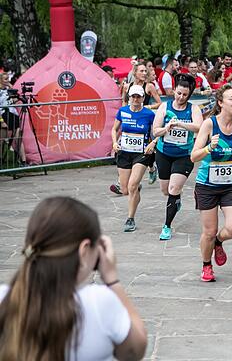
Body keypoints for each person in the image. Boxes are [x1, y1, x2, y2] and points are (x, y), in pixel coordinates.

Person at [0, 197, 147, 360]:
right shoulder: (97, 302)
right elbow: (135, 351)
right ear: (84, 251)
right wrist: (112, 279)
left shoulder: (4, 298)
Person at [190, 84, 232, 282]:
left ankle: (219, 241)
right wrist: (209, 147)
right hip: (207, 184)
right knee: (208, 231)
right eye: (231, 99)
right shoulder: (210, 125)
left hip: (231, 184)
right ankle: (206, 265)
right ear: (220, 103)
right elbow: (193, 156)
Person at [152, 80, 203, 240]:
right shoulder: (164, 107)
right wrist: (166, 128)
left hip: (184, 155)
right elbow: (155, 131)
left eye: (185, 95)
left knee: (174, 189)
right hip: (164, 153)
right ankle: (176, 200)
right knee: (165, 190)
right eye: (178, 93)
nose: (181, 97)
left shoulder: (193, 109)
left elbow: (199, 127)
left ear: (189, 95)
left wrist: (180, 124)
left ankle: (166, 226)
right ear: (174, 90)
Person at [111, 85, 157, 233]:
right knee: (125, 190)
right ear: (129, 98)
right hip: (124, 152)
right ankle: (135, 188)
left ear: (143, 98)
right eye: (133, 96)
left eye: (139, 96)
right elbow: (114, 129)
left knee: (131, 186)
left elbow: (155, 133)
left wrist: (152, 143)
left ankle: (130, 219)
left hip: (141, 154)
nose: (136, 99)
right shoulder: (122, 112)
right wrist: (114, 142)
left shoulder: (149, 114)